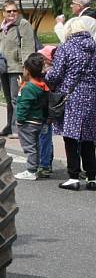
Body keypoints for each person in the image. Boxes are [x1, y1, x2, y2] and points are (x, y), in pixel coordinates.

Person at [44, 18, 96, 191]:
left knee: (71, 137)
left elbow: (56, 74)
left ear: (69, 31)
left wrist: (47, 77)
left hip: (72, 97)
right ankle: (92, 177)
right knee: (89, 138)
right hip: (92, 97)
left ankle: (73, 177)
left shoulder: (66, 48)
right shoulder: (94, 47)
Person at [0, 0, 37, 137]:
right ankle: (9, 125)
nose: (12, 13)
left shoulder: (23, 25)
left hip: (17, 68)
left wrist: (27, 68)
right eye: (9, 11)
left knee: (16, 99)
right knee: (8, 100)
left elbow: (28, 47)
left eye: (14, 10)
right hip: (3, 68)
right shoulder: (2, 27)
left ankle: (17, 128)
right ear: (3, 13)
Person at [14, 53, 50, 180]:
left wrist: (19, 120)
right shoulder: (42, 85)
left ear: (27, 71)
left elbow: (23, 105)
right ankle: (35, 167)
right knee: (36, 145)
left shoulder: (28, 88)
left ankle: (31, 170)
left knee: (29, 147)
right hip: (39, 121)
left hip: (28, 122)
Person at [36, 45, 57, 178]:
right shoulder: (48, 74)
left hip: (45, 114)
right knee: (46, 139)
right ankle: (47, 162)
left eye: (42, 57)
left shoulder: (48, 76)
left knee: (44, 139)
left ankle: (44, 165)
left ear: (48, 60)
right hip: (47, 114)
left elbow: (46, 98)